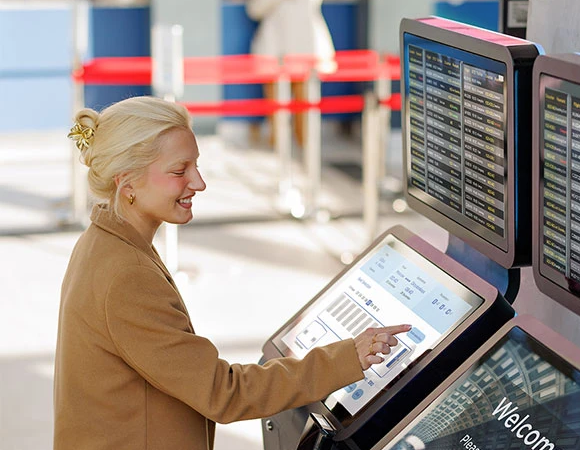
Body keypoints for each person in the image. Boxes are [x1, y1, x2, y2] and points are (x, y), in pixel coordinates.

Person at [54, 96, 410, 450]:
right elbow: (223, 393)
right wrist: (347, 359)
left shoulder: (100, 242)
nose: (199, 183)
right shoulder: (126, 274)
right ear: (126, 182)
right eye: (180, 171)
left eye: (195, 166)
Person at [245, 0, 337, 148]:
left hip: (306, 50)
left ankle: (305, 154)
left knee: (306, 109)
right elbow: (254, 10)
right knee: (276, 110)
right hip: (274, 50)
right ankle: (277, 152)